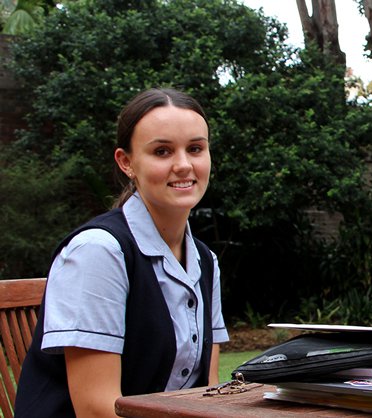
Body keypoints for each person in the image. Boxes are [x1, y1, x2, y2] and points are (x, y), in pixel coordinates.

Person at [15, 87, 229, 417]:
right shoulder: (97, 253)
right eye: (162, 151)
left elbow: (206, 395)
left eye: (196, 149)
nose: (184, 165)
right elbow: (96, 410)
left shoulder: (205, 261)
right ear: (126, 162)